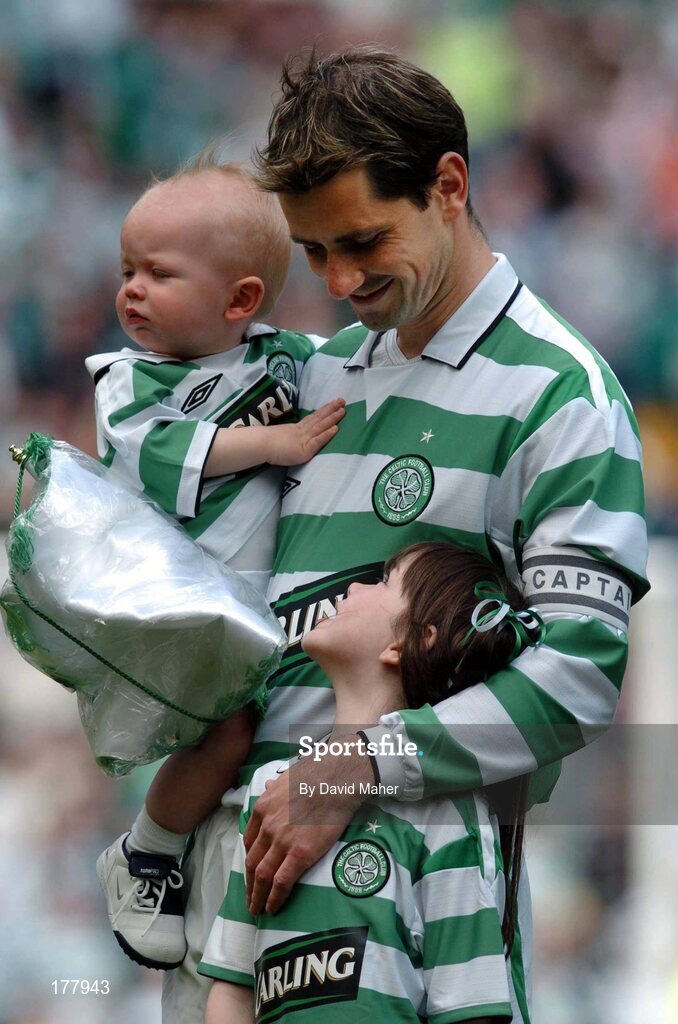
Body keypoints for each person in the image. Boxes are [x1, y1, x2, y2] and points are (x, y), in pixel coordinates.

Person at [164, 47, 648, 1024]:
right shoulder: (316, 379)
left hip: (416, 921)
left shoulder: (559, 397)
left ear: (451, 187)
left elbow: (577, 678)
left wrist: (348, 766)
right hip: (237, 909)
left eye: (363, 242)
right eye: (312, 251)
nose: (339, 279)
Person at [87, 156, 345, 970]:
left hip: (260, 613)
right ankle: (143, 851)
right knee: (225, 734)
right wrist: (275, 441)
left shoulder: (285, 357)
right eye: (127, 269)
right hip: (179, 611)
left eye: (159, 274)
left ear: (239, 301)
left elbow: (360, 370)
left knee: (263, 729)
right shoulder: (127, 382)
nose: (132, 288)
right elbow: (161, 456)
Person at [201, 541, 541, 1024]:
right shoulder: (269, 790)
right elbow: (233, 988)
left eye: (384, 581)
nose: (354, 587)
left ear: (406, 643)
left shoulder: (446, 816)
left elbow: (471, 1009)